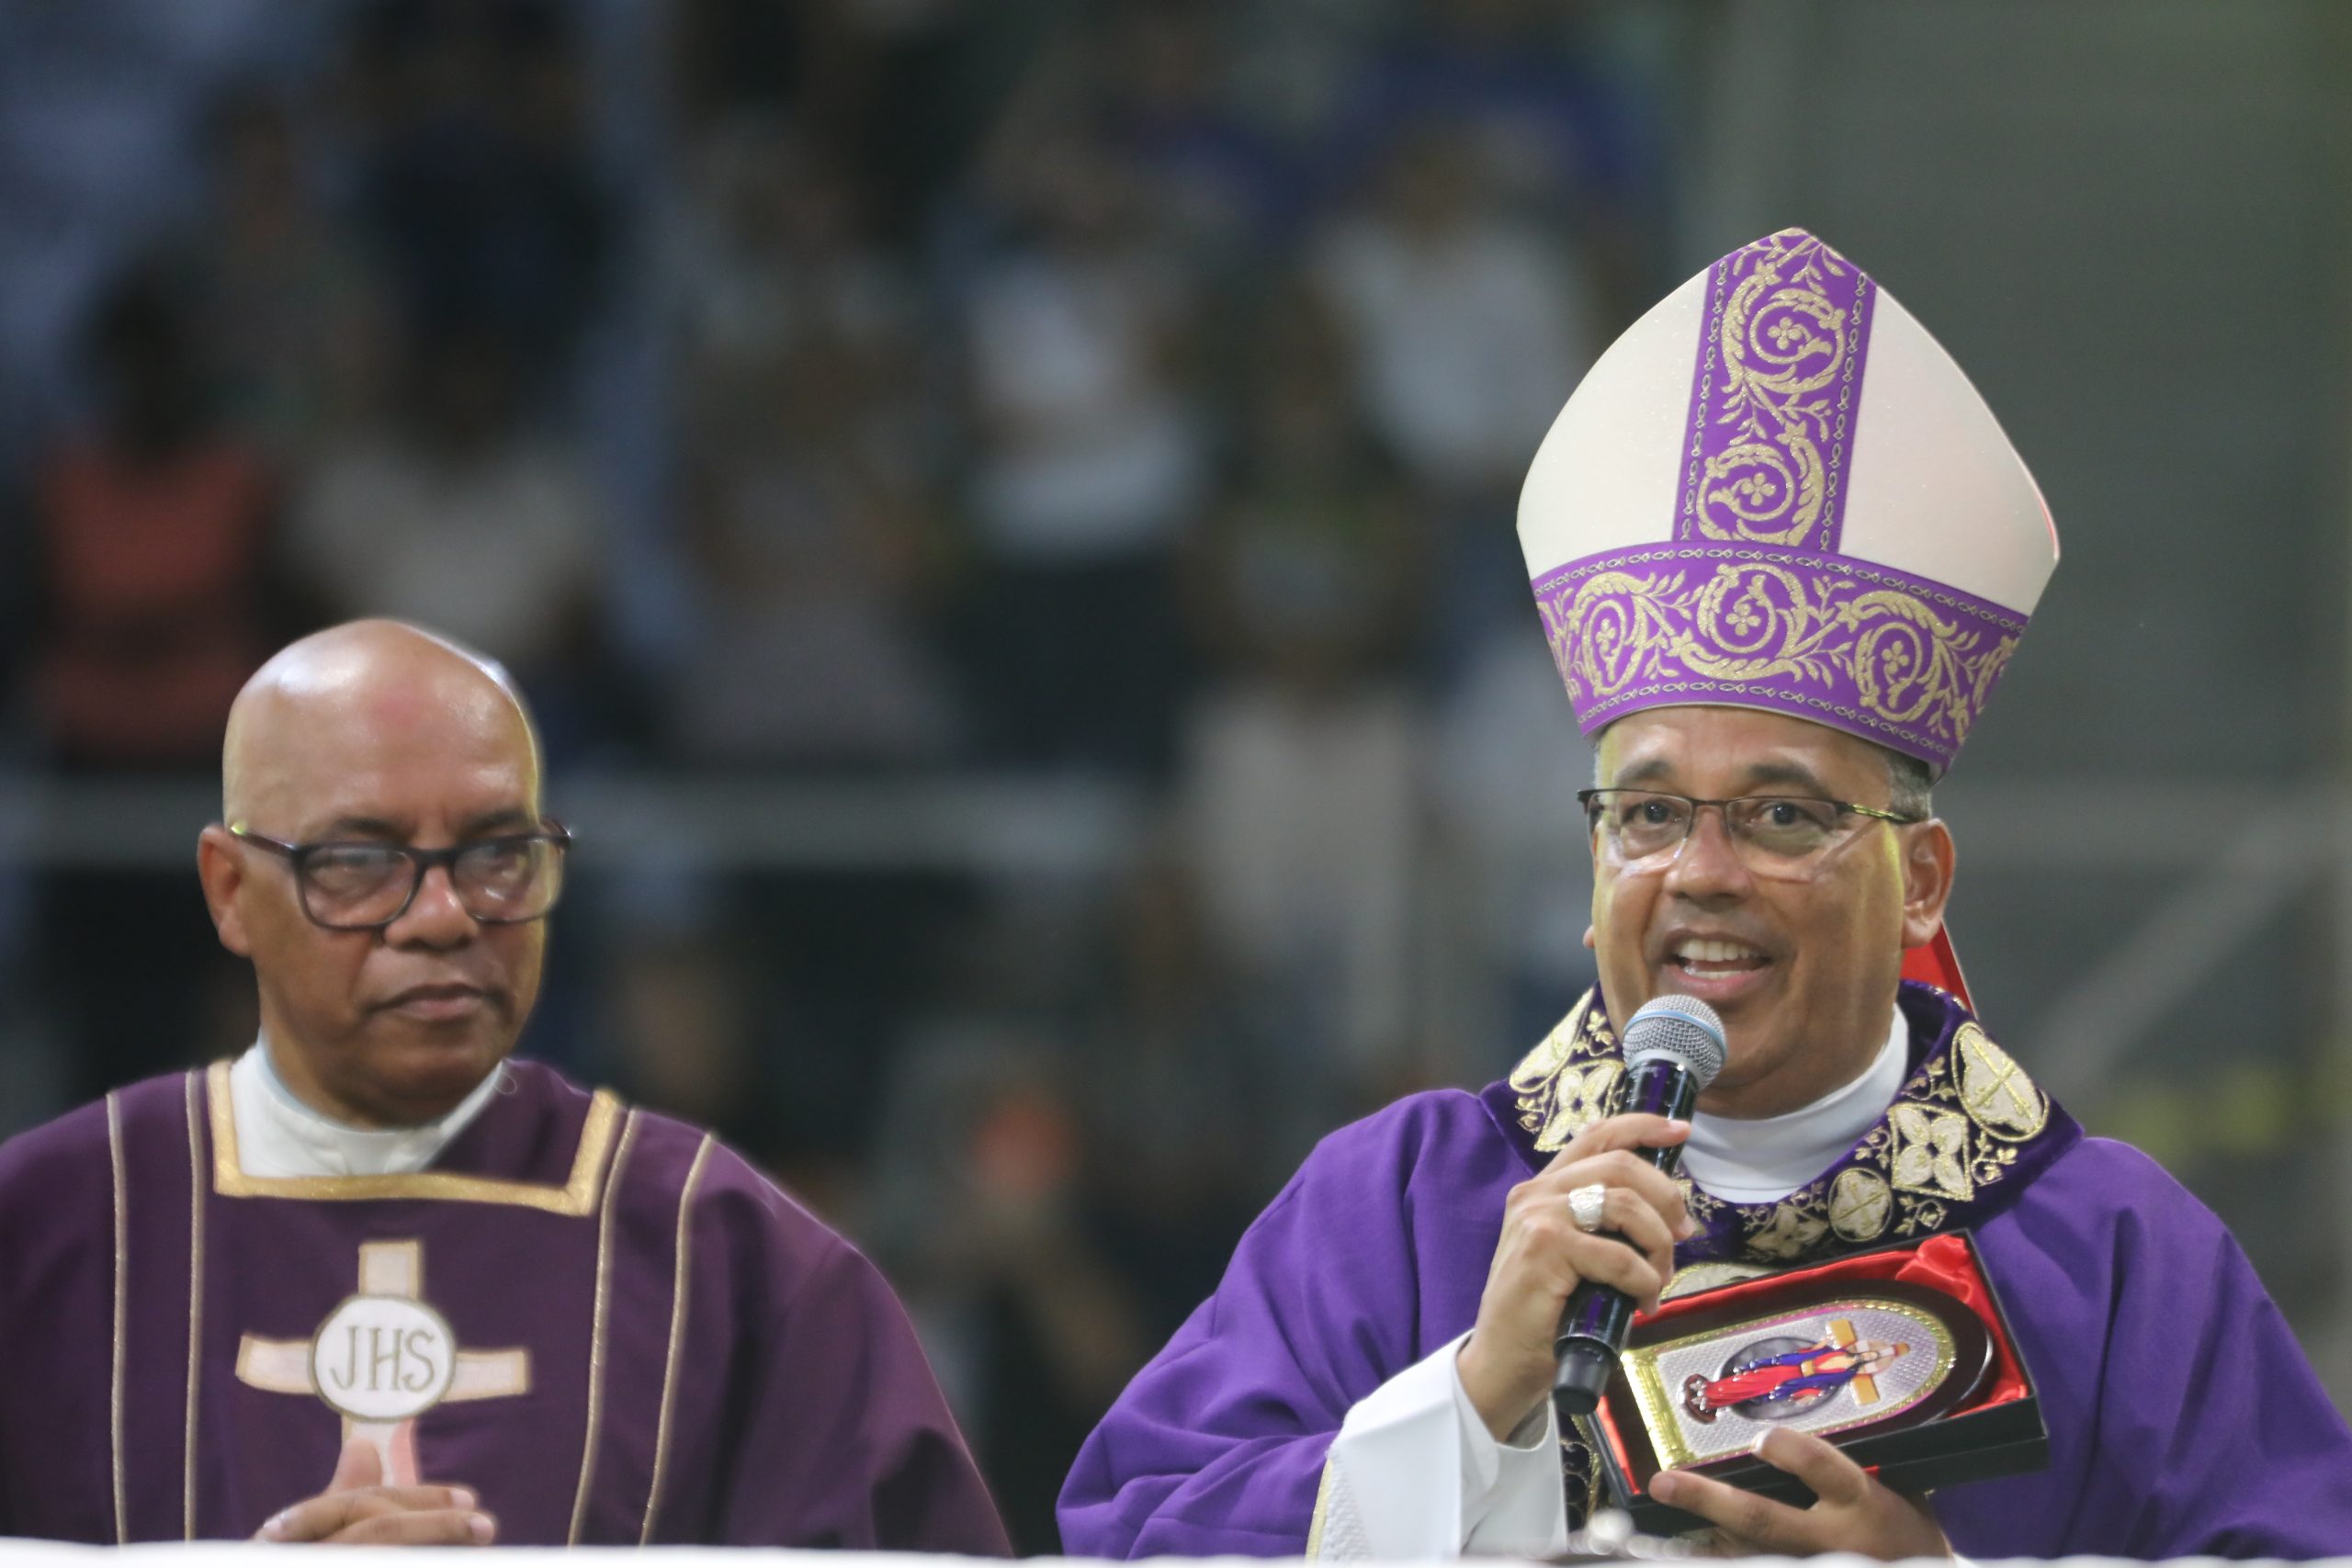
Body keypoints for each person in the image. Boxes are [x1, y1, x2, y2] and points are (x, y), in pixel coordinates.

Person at [1059, 229, 2352, 1559]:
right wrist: (1472, 1400)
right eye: (1651, 814)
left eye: (1783, 814)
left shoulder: (2109, 1249)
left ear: (1920, 881)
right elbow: (1137, 1534)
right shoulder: (1399, 1204)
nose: (1701, 872)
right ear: (1595, 869)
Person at [0, 620, 1011, 1551]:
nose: (443, 915)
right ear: (230, 890)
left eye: (496, 854)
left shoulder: (729, 1259)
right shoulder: (51, 1232)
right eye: (361, 859)